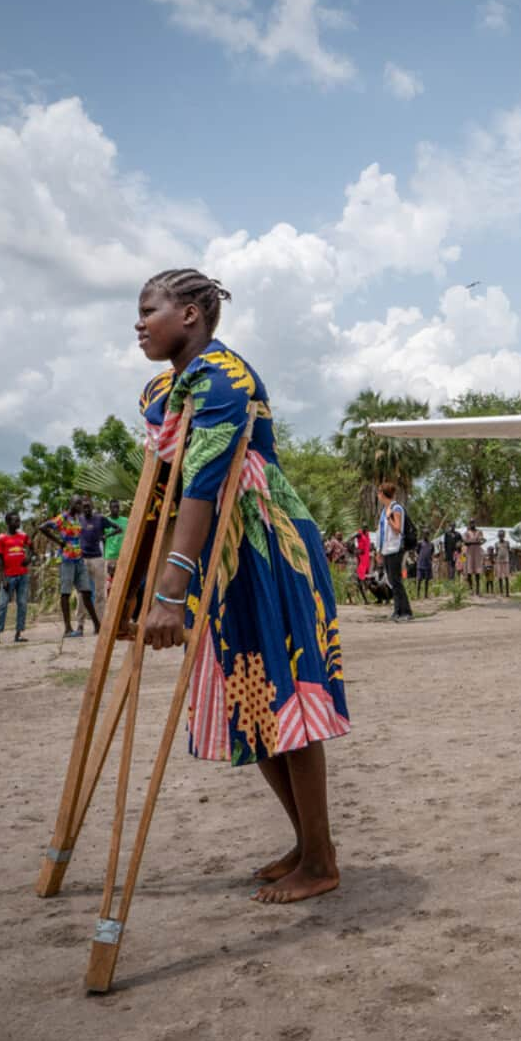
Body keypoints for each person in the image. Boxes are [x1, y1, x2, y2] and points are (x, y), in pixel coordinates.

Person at [136, 267, 348, 904]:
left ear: (191, 315)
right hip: (220, 560)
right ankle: (310, 844)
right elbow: (162, 493)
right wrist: (149, 584)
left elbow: (202, 483)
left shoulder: (225, 380)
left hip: (264, 550)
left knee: (287, 694)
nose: (139, 322)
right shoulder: (168, 388)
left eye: (151, 309)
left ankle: (321, 859)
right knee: (249, 697)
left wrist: (170, 592)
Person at [38, 495, 100, 638]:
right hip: (66, 560)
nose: (80, 506)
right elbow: (42, 527)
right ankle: (67, 628)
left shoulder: (79, 518)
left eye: (81, 504)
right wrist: (58, 542)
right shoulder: (63, 518)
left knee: (86, 592)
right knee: (65, 593)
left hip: (79, 559)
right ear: (71, 504)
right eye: (77, 503)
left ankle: (97, 625)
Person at [0, 512, 32, 645]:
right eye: (15, 521)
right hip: (8, 576)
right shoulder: (1, 538)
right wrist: (3, 578)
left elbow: (31, 548)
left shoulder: (23, 536)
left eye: (19, 521)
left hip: (22, 575)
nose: (18, 523)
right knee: (2, 604)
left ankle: (19, 633)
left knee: (22, 604)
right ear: (8, 523)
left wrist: (29, 558)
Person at [76, 496, 120, 634]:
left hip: (98, 560)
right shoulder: (79, 519)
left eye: (88, 505)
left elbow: (118, 528)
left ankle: (100, 625)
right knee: (81, 593)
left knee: (100, 593)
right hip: (82, 560)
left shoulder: (100, 519)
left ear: (92, 505)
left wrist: (106, 536)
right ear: (82, 507)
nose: (86, 507)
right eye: (84, 506)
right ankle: (80, 625)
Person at [376, 482, 413, 621]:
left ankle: (405, 611)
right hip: (386, 549)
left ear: (383, 493)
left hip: (395, 548)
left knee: (396, 580)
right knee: (392, 580)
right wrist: (379, 550)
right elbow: (381, 533)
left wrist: (389, 519)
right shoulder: (385, 509)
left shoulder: (396, 508)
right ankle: (398, 610)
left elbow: (398, 528)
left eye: (379, 492)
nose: (378, 495)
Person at [104, 497, 128, 589]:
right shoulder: (106, 521)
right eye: (113, 507)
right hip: (110, 557)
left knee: (121, 584)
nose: (116, 509)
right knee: (108, 585)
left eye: (117, 507)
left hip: (123, 556)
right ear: (110, 509)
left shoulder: (126, 521)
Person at [463, 519, 485, 594]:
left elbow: (483, 540)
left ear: (475, 523)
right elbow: (465, 542)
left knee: (477, 571)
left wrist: (472, 541)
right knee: (469, 571)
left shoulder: (479, 532)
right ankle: (470, 589)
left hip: (477, 553)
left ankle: (478, 590)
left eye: (473, 522)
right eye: (470, 523)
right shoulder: (466, 533)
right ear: (469, 524)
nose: (472, 524)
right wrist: (476, 541)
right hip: (469, 554)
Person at [415, 531, 434, 599]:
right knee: (419, 579)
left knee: (426, 580)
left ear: (428, 535)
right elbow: (417, 552)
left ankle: (426, 595)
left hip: (427, 564)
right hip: (420, 564)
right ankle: (417, 594)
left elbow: (432, 552)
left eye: (427, 534)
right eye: (424, 534)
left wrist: (430, 560)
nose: (425, 536)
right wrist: (418, 558)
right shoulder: (420, 543)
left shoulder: (431, 544)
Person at [494, 529, 511, 597]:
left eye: (502, 535)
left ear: (504, 536)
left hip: (506, 561)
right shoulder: (496, 544)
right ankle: (501, 591)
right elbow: (496, 552)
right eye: (500, 535)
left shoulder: (507, 543)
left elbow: (509, 550)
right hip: (499, 562)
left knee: (506, 576)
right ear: (498, 536)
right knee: (500, 576)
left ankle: (507, 592)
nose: (501, 536)